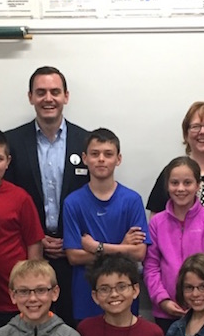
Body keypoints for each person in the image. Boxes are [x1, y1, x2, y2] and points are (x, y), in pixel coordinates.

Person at [5, 66, 91, 323]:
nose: (48, 98)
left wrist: (73, 240)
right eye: (40, 92)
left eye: (55, 91)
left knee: (74, 328)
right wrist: (36, 238)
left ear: (66, 96)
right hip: (30, 253)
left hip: (75, 255)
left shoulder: (87, 142)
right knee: (30, 326)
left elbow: (94, 196)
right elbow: (8, 200)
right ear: (30, 97)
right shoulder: (11, 142)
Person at [63, 128, 150, 322]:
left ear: (118, 159)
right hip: (86, 296)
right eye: (95, 154)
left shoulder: (132, 200)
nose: (101, 159)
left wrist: (97, 247)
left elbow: (139, 253)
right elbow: (74, 256)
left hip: (124, 295)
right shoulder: (73, 202)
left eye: (108, 154)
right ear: (85, 158)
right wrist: (122, 245)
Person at [0, 127, 45, 336]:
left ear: (8, 161)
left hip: (12, 300)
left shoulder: (20, 198)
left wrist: (31, 291)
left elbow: (34, 247)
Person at [144, 156, 204, 332]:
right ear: (167, 186)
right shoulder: (156, 223)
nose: (181, 188)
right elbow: (151, 267)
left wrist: (201, 299)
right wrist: (162, 300)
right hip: (166, 312)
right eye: (175, 183)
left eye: (187, 182)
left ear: (198, 185)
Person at [145, 101, 204, 215]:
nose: (202, 132)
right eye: (195, 127)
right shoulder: (173, 171)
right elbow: (155, 218)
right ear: (186, 134)